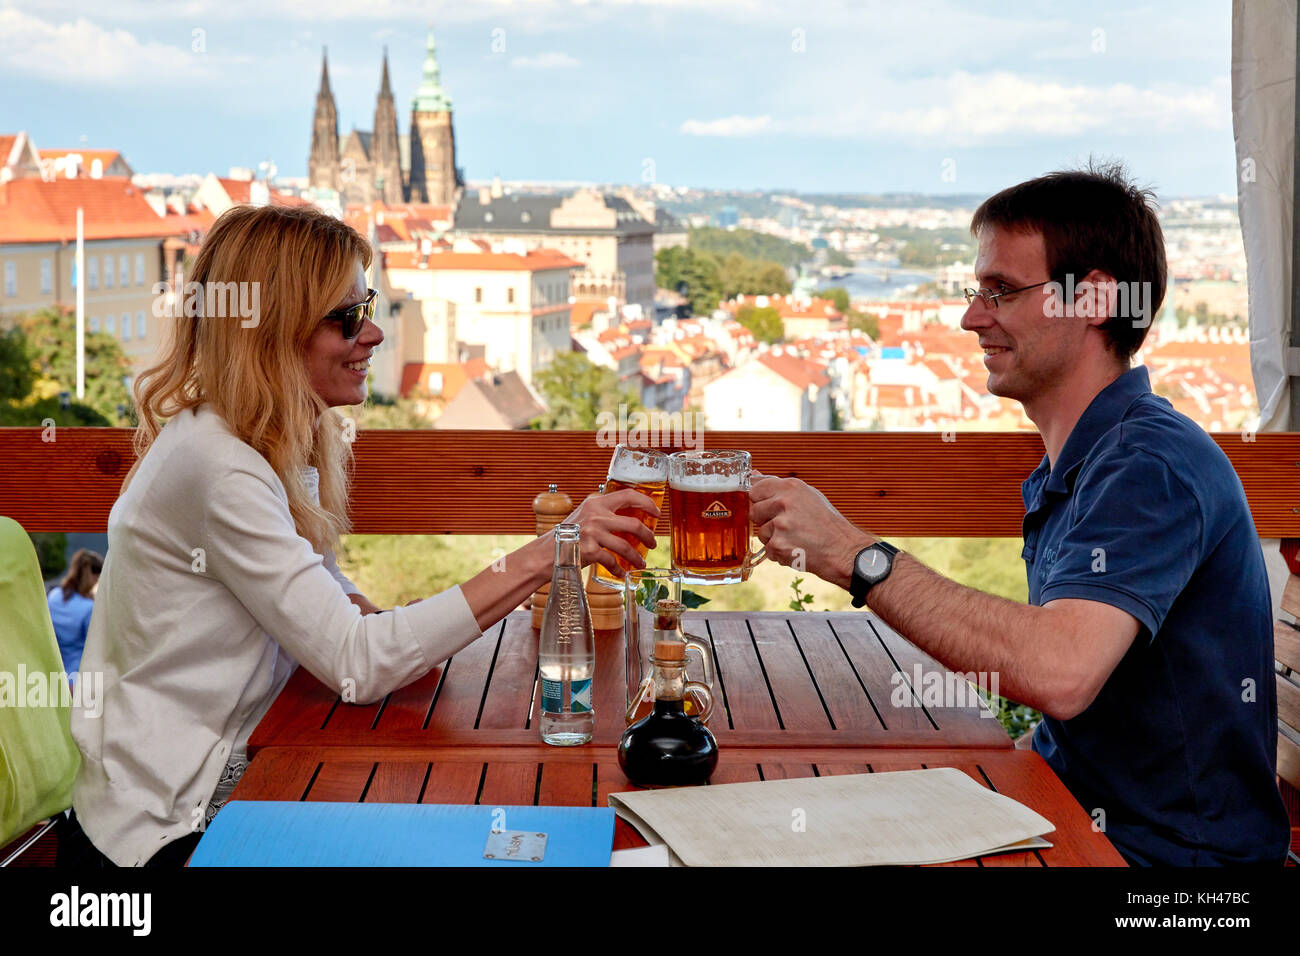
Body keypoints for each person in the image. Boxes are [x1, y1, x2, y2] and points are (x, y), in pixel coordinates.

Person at [61, 204, 658, 867]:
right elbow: (359, 664)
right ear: (272, 335)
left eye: (365, 305)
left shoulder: (262, 439)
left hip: (246, 779)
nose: (372, 333)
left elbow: (337, 607)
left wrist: (400, 631)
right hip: (163, 831)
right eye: (345, 318)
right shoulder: (218, 465)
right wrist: (549, 553)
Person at [750, 163, 1289, 866]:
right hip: (1083, 826)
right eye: (978, 291)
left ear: (1093, 299)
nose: (973, 317)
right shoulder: (1096, 459)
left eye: (1000, 291)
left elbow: (1060, 672)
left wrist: (854, 556)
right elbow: (1089, 721)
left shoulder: (1148, 467)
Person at [46, 548, 102, 677]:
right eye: (97, 577)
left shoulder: (54, 596)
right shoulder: (89, 608)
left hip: (52, 675)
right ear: (91, 575)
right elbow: (95, 648)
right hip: (77, 678)